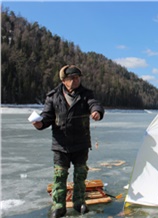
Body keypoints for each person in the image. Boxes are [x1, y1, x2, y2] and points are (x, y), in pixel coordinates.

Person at [32, 65, 105, 217]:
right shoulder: (53, 96)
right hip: (60, 144)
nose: (75, 81)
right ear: (63, 80)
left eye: (77, 78)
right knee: (59, 176)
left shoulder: (86, 94)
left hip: (81, 143)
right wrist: (40, 124)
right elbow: (46, 117)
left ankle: (79, 202)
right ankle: (59, 205)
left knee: (80, 175)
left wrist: (96, 111)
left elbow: (94, 104)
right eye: (72, 78)